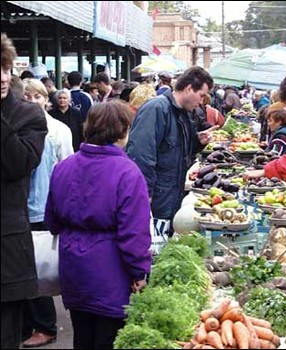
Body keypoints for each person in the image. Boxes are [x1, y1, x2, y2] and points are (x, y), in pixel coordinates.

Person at [44, 100, 152, 349]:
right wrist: (139, 272)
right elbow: (134, 233)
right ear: (122, 130)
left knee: (82, 335)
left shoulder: (63, 167)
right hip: (110, 270)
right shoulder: (128, 172)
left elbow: (52, 220)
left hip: (73, 265)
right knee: (108, 338)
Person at [126, 66, 217, 237]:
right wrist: (145, 195)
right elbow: (140, 155)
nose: (202, 102)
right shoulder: (156, 109)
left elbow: (180, 152)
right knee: (151, 245)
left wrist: (198, 142)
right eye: (202, 95)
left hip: (170, 195)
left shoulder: (183, 113)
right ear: (189, 89)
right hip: (157, 198)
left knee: (162, 244)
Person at [1, 33, 47, 350]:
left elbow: (17, 165)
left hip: (7, 248)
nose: (2, 77)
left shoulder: (28, 115)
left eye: (4, 69)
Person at [21, 78, 74, 348]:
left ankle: (45, 325)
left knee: (38, 267)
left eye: (36, 96)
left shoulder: (58, 130)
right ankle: (26, 323)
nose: (31, 101)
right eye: (26, 96)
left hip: (44, 207)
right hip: (22, 208)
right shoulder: (17, 127)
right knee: (23, 267)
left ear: (46, 99)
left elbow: (67, 168)